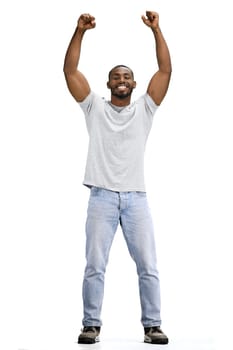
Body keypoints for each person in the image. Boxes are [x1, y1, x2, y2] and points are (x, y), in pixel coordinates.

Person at [63, 10, 172, 345]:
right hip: (102, 197)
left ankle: (152, 325)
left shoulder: (145, 108)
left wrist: (157, 30)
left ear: (134, 83)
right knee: (95, 265)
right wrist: (79, 31)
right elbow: (70, 71)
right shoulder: (94, 107)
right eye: (115, 76)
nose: (121, 79)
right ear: (108, 84)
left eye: (127, 76)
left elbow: (165, 70)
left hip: (136, 198)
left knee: (148, 266)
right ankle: (91, 325)